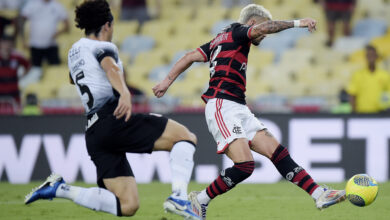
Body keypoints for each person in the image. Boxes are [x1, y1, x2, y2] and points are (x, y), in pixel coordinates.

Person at [153, 4, 346, 219]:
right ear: (253, 23)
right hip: (221, 105)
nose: (262, 36)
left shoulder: (219, 39)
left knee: (277, 152)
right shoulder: (239, 32)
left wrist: (165, 82)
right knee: (245, 166)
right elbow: (265, 28)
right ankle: (198, 201)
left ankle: (320, 193)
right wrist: (298, 23)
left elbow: (189, 56)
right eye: (260, 29)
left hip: (238, 106)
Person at [24, 1, 200, 219]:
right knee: (185, 137)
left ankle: (59, 189)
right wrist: (124, 92)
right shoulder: (104, 47)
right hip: (113, 118)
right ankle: (179, 198)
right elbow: (110, 68)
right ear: (107, 25)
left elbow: (73, 79)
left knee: (128, 205)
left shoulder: (74, 51)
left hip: (94, 131)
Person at [20, 0, 69, 67]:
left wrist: (58, 33)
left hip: (51, 45)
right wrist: (23, 39)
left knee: (55, 69)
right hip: (35, 45)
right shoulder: (32, 4)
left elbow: (67, 24)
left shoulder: (57, 6)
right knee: (35, 70)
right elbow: (21, 20)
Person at [347, 45, 390, 113]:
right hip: (362, 113)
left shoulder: (385, 75)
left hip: (380, 113)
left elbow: (388, 93)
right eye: (369, 55)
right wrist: (353, 112)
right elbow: (352, 95)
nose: (371, 57)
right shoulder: (358, 75)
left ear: (376, 56)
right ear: (366, 57)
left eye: (373, 55)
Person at [0, 34, 30, 106]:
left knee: (15, 114)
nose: (7, 45)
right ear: (1, 43)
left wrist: (22, 75)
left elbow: (28, 65)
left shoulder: (17, 57)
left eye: (9, 43)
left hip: (13, 91)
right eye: (5, 43)